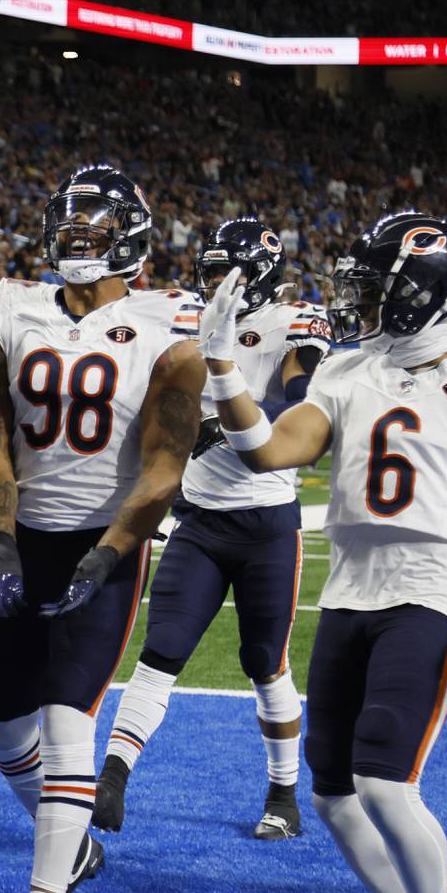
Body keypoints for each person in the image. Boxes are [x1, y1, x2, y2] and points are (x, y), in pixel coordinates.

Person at [201, 212, 447, 893]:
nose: (360, 299)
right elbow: (268, 449)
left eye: (376, 285)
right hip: (349, 587)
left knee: (385, 779)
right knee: (332, 795)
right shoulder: (348, 368)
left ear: (421, 289)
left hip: (433, 585)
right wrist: (223, 367)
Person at [0, 164, 207, 893]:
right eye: (68, 223)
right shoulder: (9, 306)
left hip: (104, 539)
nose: (74, 238)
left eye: (94, 227)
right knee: (0, 721)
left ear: (130, 238)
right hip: (24, 534)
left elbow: (167, 460)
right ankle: (68, 850)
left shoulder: (170, 323)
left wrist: (110, 553)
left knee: (68, 715)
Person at [94, 218, 330, 841]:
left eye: (233, 270)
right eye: (212, 269)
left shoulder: (295, 323)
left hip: (266, 522)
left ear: (263, 274)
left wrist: (223, 423)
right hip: (198, 521)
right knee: (160, 650)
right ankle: (112, 777)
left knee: (264, 661)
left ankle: (283, 793)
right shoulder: (183, 322)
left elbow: (306, 404)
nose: (219, 282)